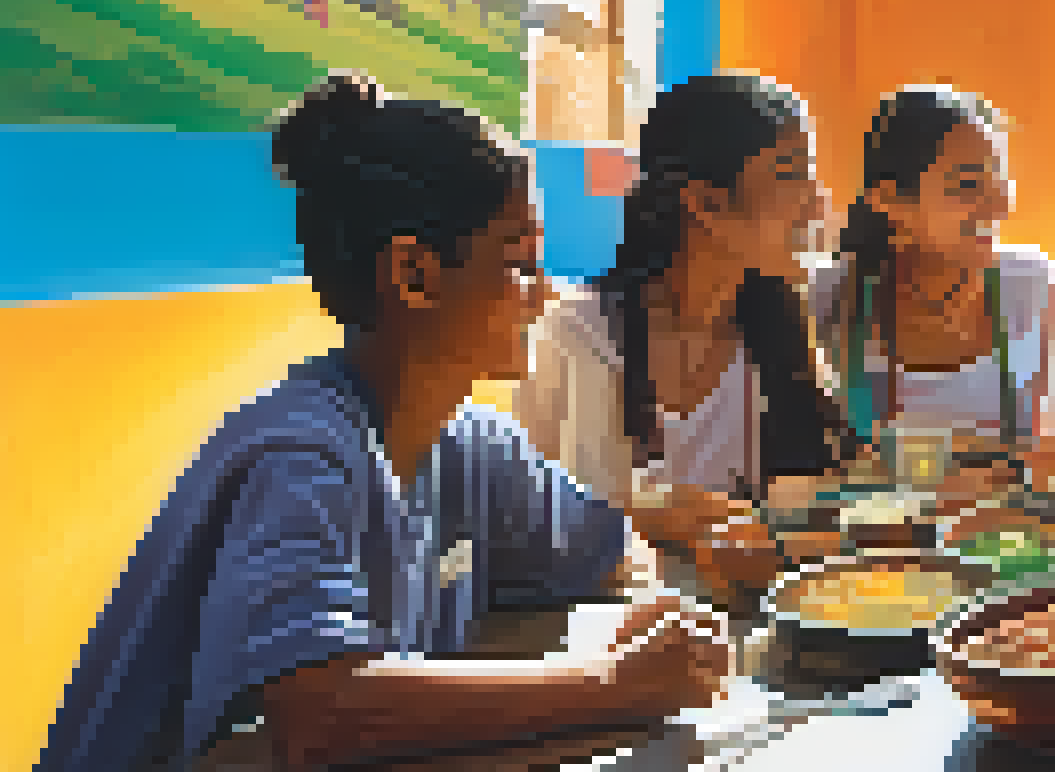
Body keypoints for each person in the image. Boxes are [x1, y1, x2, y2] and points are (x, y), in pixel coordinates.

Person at [39, 74, 728, 772]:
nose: (545, 291)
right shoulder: (300, 458)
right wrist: (609, 682)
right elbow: (326, 715)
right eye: (519, 261)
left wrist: (655, 613)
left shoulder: (471, 448)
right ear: (415, 275)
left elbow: (612, 549)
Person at [520, 74, 853, 601]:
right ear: (705, 203)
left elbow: (819, 502)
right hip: (611, 643)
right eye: (789, 176)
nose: (815, 203)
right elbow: (550, 526)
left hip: (760, 627)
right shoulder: (582, 337)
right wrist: (657, 515)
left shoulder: (781, 328)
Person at [807, 86, 1055, 448]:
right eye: (968, 184)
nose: (998, 202)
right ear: (891, 202)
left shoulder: (1030, 285)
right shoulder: (831, 298)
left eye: (998, 179)